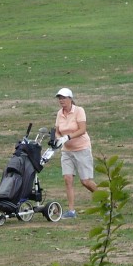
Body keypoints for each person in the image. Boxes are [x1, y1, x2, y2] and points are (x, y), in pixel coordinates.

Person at [54, 87, 97, 219]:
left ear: (70, 99)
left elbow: (82, 129)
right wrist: (58, 139)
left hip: (81, 149)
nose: (61, 101)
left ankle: (107, 201)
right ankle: (71, 211)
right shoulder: (59, 114)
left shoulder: (79, 111)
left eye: (64, 98)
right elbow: (57, 130)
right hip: (67, 151)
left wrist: (68, 137)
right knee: (68, 179)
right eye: (60, 98)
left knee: (86, 181)